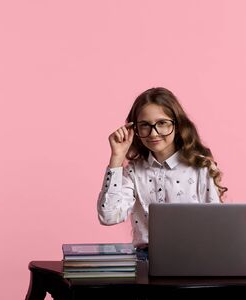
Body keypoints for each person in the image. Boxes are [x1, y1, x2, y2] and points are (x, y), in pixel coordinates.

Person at [97, 87, 228, 253]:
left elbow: (217, 226)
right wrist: (116, 158)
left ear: (177, 125)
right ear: (134, 129)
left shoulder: (201, 168)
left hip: (194, 256)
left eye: (162, 123)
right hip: (147, 259)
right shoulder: (133, 172)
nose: (153, 133)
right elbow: (108, 216)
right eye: (145, 125)